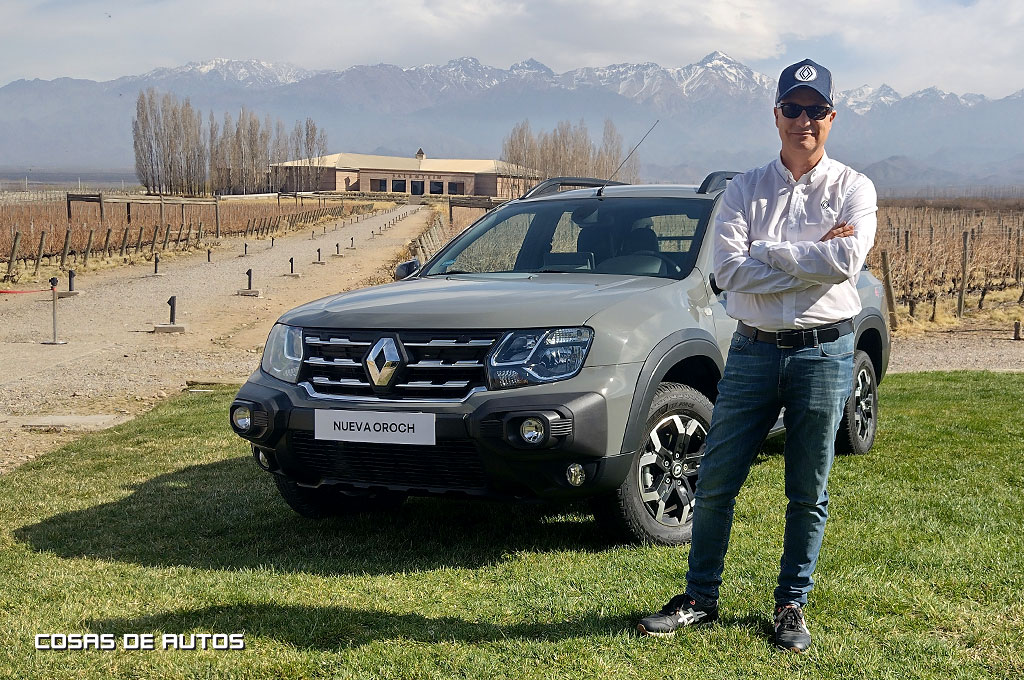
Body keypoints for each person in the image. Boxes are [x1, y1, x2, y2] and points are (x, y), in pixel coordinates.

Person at [636, 59, 877, 653]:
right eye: (792, 108)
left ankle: (792, 604)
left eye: (814, 109)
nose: (803, 119)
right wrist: (802, 258)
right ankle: (699, 597)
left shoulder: (854, 188)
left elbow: (846, 262)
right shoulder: (744, 188)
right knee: (715, 479)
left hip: (825, 353)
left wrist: (766, 254)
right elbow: (726, 273)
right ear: (775, 115)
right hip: (751, 351)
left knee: (808, 487)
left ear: (831, 117)